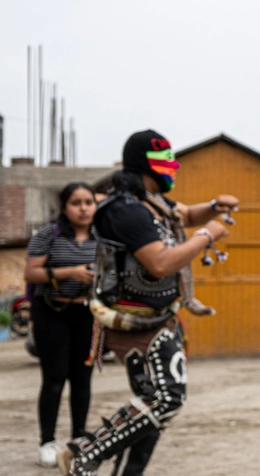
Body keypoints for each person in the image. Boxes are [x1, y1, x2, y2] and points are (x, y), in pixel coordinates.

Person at [61, 130, 237, 475]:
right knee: (164, 399)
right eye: (166, 163)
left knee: (154, 406)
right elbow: (161, 263)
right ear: (147, 166)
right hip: (132, 322)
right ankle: (84, 455)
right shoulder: (124, 210)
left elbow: (185, 214)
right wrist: (208, 234)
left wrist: (214, 208)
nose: (173, 169)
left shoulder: (150, 203)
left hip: (159, 317)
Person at [24, 183, 98, 468]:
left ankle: (79, 437)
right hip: (52, 313)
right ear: (64, 207)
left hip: (87, 314)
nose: (83, 208)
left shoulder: (104, 236)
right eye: (76, 203)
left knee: (83, 379)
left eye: (88, 202)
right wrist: (71, 272)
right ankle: (47, 441)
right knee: (54, 378)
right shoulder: (47, 234)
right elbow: (31, 272)